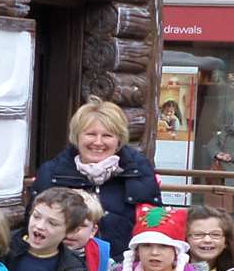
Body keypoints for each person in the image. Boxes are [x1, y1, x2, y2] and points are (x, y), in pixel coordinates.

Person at [33, 98, 162, 252]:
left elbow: (155, 227)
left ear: (119, 140)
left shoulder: (139, 171)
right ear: (77, 137)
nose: (98, 142)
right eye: (91, 134)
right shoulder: (52, 173)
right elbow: (34, 224)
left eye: (107, 135)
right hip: (62, 266)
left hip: (122, 266)